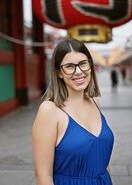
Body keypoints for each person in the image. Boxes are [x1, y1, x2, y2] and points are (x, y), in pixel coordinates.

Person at [32, 38, 114, 185]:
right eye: (69, 66)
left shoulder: (95, 103)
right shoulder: (49, 110)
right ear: (59, 73)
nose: (78, 71)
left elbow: (103, 164)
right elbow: (43, 176)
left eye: (83, 64)